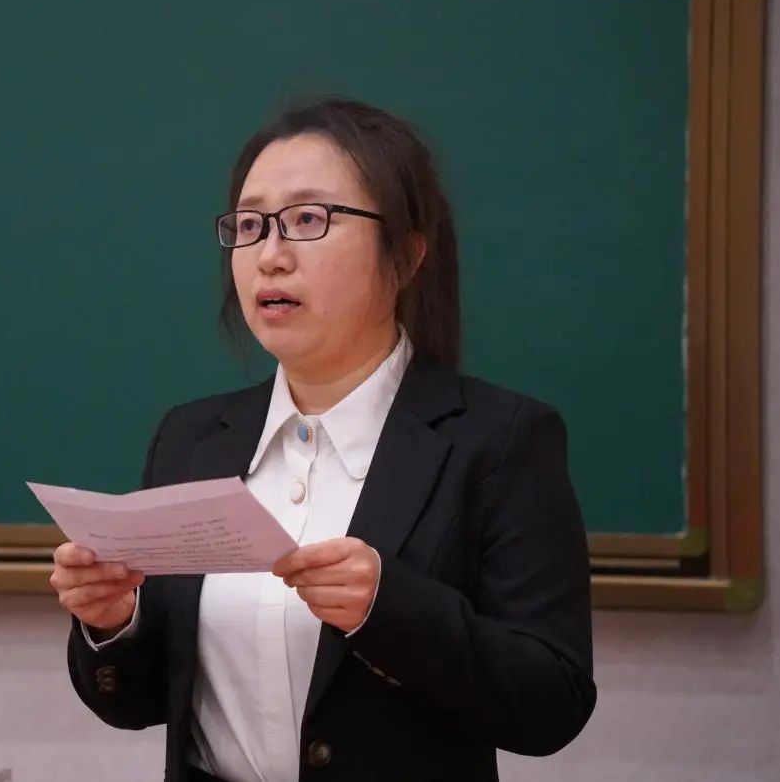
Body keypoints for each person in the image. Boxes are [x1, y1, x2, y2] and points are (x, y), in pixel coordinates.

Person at [50, 97, 596, 782]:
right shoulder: (190, 439)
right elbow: (137, 702)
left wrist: (386, 609)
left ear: (406, 254)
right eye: (251, 225)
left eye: (308, 220)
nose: (270, 256)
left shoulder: (500, 440)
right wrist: (112, 622)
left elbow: (551, 704)